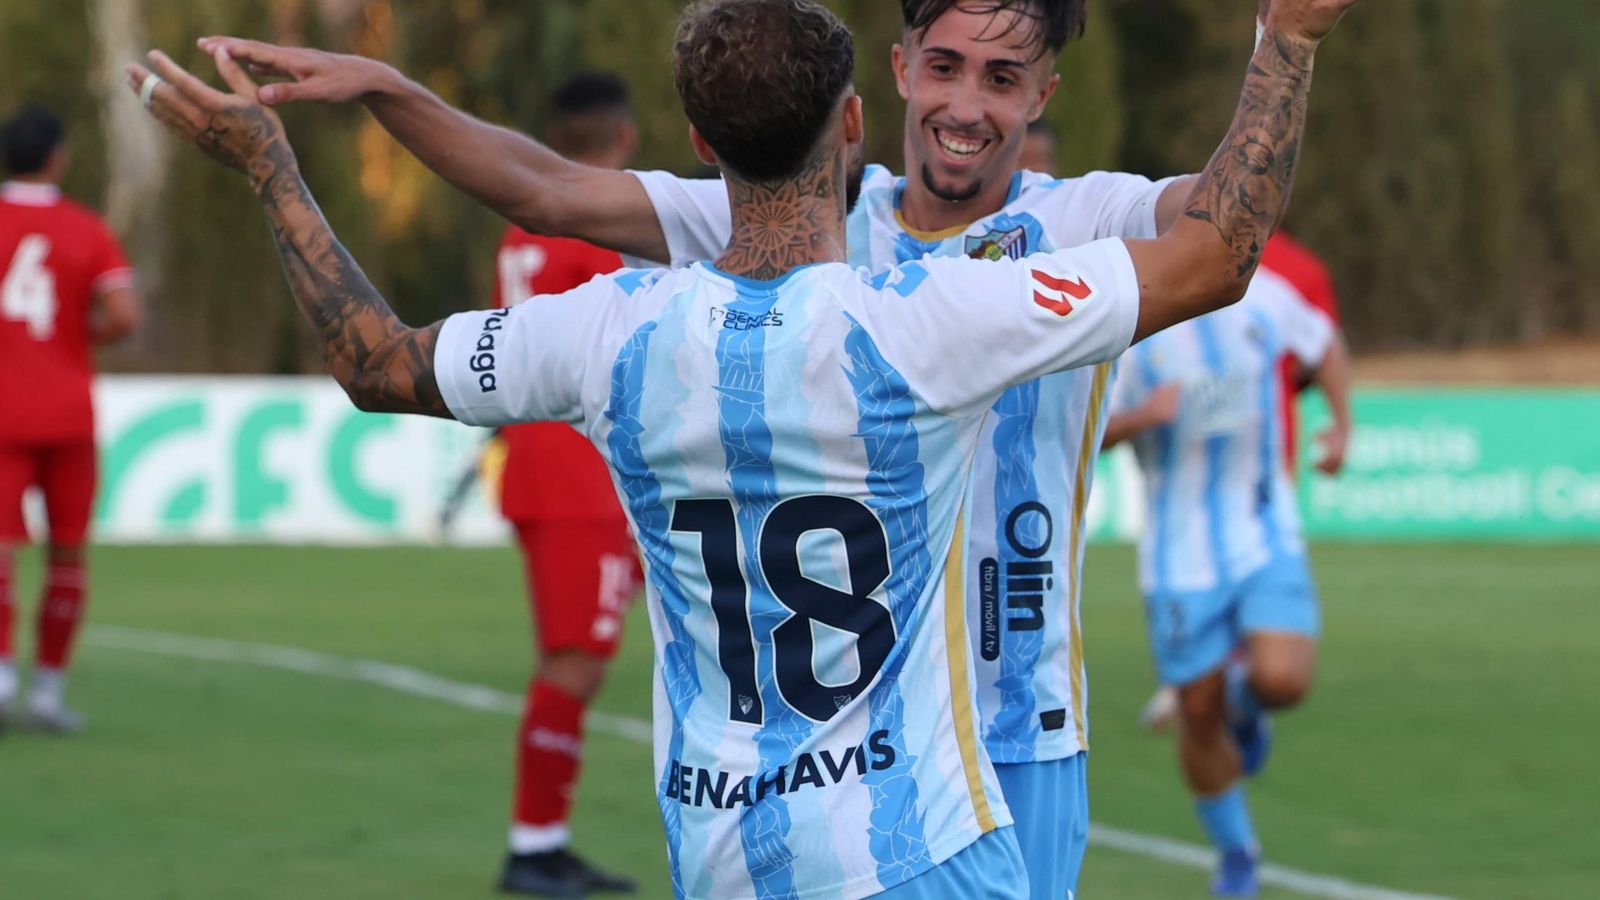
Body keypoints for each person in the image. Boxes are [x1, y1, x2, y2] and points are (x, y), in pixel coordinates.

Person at [131, 0, 1350, 893]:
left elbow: (1213, 222)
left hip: (1019, 720)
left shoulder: (1075, 216)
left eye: (1001, 77)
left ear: (1040, 99)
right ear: (888, 81)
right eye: (943, 66)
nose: (967, 104)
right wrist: (388, 90)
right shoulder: (828, 226)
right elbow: (548, 190)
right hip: (877, 772)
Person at [1102, 265, 1352, 895]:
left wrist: (1341, 425)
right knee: (1196, 711)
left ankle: (1248, 701)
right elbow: (1082, 433)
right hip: (1178, 556)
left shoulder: (1265, 294)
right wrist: (1143, 416)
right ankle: (1237, 851)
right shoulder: (1134, 319)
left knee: (1284, 678)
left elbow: (1324, 343)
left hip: (1264, 528)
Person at [491, 72, 643, 897]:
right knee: (574, 663)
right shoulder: (597, 236)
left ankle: (542, 842)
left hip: (538, 466)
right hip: (580, 475)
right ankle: (534, 847)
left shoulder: (524, 226)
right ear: (622, 137)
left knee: (573, 657)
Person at [1136, 230, 1350, 736]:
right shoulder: (1151, 271)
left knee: (1279, 668)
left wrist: (1339, 425)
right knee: (1201, 702)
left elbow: (1316, 348)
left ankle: (1238, 690)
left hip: (1263, 485)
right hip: (1181, 513)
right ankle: (1212, 689)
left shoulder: (1290, 273)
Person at [0, 104, 142, 734]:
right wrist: (78, 337)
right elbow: (125, 314)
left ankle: (1, 677)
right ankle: (49, 693)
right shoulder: (86, 229)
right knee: (67, 556)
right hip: (67, 414)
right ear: (56, 156)